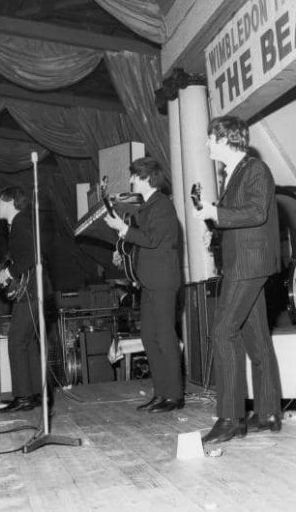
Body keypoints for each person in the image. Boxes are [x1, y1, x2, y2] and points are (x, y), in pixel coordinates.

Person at [194, 116, 282, 444]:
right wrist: (214, 233)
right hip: (245, 261)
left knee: (222, 331)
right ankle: (268, 412)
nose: (206, 144)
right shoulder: (234, 173)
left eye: (210, 138)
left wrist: (215, 214)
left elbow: (257, 213)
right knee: (255, 337)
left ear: (227, 139)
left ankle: (230, 418)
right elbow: (242, 219)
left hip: (249, 263)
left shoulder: (255, 169)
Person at [104, 157, 183, 413]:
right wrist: (124, 249)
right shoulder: (147, 207)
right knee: (150, 338)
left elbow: (152, 239)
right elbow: (143, 242)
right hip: (149, 282)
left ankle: (174, 396)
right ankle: (161, 394)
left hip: (162, 282)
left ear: (147, 178)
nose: (130, 181)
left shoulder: (162, 205)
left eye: (134, 177)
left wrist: (123, 229)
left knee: (165, 338)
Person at [0, 187, 43, 411]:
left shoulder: (21, 223)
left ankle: (22, 397)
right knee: (27, 342)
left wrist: (8, 273)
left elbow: (33, 256)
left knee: (15, 342)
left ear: (10, 201)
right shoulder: (22, 223)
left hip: (29, 293)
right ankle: (34, 394)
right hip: (34, 292)